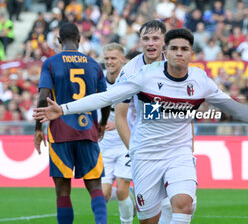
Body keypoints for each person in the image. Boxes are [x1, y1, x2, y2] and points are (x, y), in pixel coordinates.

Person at [33, 28, 248, 224]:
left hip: (179, 153)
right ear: (166, 52)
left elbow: (234, 107)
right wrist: (63, 108)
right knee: (149, 218)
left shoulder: (200, 81)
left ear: (191, 53)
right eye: (174, 48)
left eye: (184, 49)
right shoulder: (145, 77)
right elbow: (107, 97)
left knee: (183, 203)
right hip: (145, 156)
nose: (179, 53)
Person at [34, 22, 109, 224]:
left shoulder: (50, 63)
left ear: (59, 41)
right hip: (88, 131)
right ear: (79, 39)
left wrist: (38, 128)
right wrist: (102, 125)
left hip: (60, 133)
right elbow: (105, 99)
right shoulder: (94, 64)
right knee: (95, 187)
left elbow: (43, 96)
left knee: (62, 191)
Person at [114, 20, 174, 224]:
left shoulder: (176, 63)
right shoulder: (130, 71)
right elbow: (120, 115)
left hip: (173, 143)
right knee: (150, 211)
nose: (150, 43)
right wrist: (134, 149)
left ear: (164, 41)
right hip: (143, 144)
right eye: (146, 38)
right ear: (140, 41)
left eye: (155, 38)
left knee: (179, 202)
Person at [99, 42, 135, 224]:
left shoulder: (130, 81)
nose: (109, 62)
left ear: (122, 59)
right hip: (103, 146)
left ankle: (126, 221)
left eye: (113, 58)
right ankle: (132, 199)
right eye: (106, 58)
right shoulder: (98, 82)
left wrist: (119, 124)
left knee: (121, 190)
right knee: (103, 195)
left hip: (124, 144)